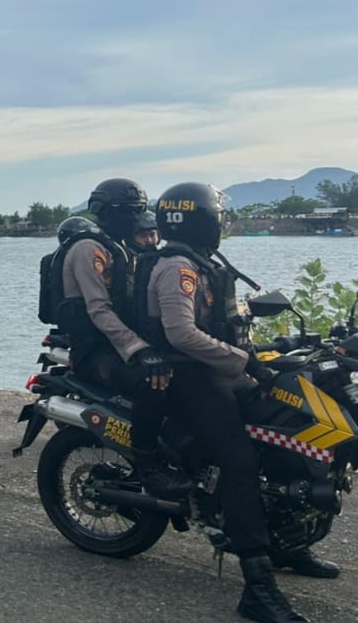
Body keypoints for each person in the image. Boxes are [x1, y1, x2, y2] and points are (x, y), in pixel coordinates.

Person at [143, 182, 331, 622]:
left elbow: (227, 323)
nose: (222, 223)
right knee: (240, 462)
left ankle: (289, 544)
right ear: (200, 221)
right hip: (185, 376)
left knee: (281, 427)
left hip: (216, 370)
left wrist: (261, 354)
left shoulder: (202, 261)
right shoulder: (176, 267)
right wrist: (243, 361)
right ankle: (257, 588)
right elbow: (181, 334)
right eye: (219, 216)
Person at [43, 178, 187, 499]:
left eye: (140, 210)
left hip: (118, 347)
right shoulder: (89, 249)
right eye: (129, 211)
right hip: (95, 354)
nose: (136, 217)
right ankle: (149, 464)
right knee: (153, 381)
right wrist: (139, 351)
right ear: (107, 212)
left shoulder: (121, 248)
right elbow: (99, 309)